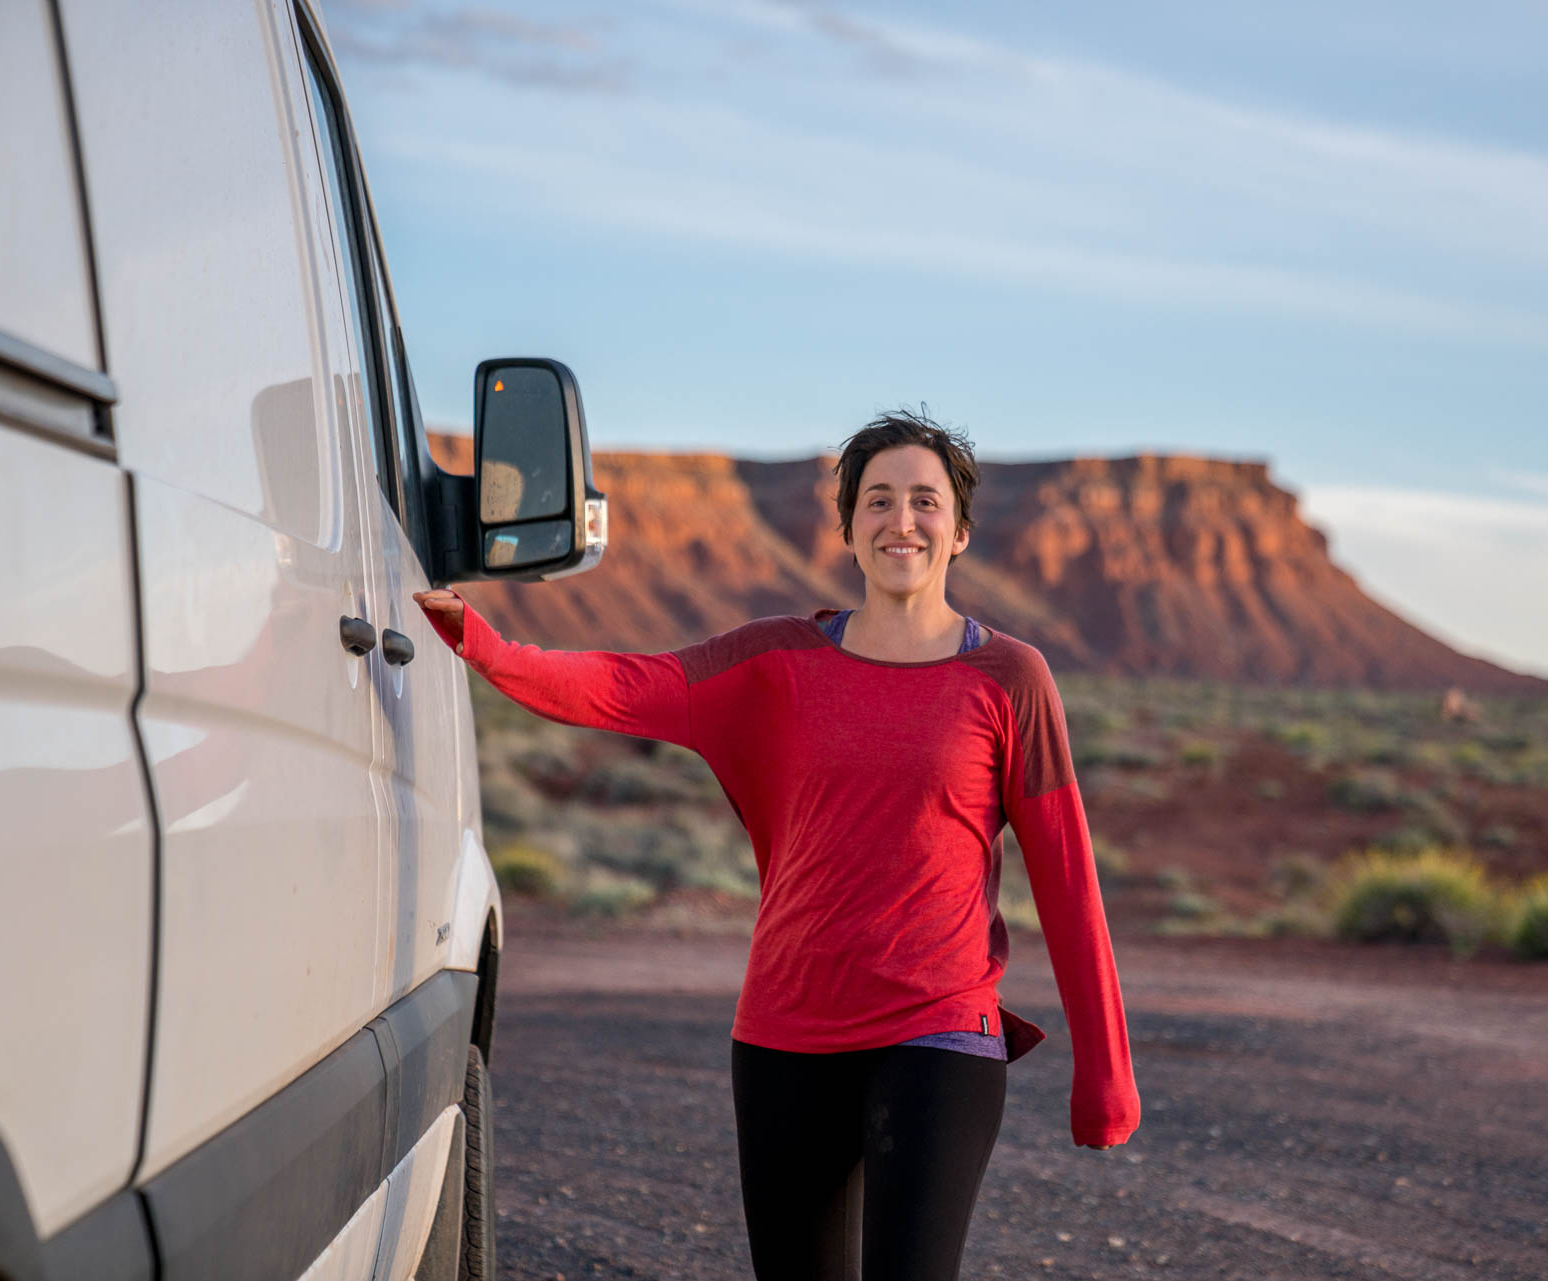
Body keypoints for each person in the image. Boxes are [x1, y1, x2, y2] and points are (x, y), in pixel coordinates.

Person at [415, 408, 1140, 1281]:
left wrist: (1106, 1070)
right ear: (846, 527)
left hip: (941, 1028)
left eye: (923, 501)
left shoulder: (1010, 678)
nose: (900, 521)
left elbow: (1069, 880)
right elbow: (625, 685)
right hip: (786, 1033)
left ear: (960, 530)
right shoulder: (775, 661)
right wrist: (489, 647)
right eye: (877, 500)